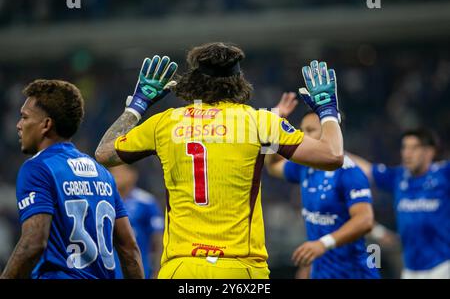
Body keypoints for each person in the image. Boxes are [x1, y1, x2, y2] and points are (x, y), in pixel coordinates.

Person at [95, 43, 344, 279]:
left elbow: (104, 154)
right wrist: (328, 110)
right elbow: (333, 156)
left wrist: (137, 105)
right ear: (238, 82)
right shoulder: (259, 122)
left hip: (181, 267)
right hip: (241, 268)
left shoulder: (165, 122)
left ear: (193, 81)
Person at [0, 80, 144, 279]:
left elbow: (33, 244)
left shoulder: (38, 168)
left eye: (24, 117)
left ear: (46, 125)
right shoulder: (102, 173)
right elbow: (129, 249)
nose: (18, 125)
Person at [265, 93, 379, 279]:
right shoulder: (305, 167)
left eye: (310, 130)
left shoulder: (349, 172)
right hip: (321, 272)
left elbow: (365, 221)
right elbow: (272, 166)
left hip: (353, 273)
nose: (303, 136)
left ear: (330, 134)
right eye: (302, 130)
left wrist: (322, 244)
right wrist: (275, 125)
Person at [348, 128, 450, 279]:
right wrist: (335, 150)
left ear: (429, 152)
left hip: (442, 266)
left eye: (414, 148)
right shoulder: (398, 176)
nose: (407, 153)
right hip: (410, 269)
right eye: (405, 147)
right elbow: (366, 169)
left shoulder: (444, 175)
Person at [109, 164, 164, 279]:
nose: (116, 175)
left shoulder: (146, 202)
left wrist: (158, 270)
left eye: (121, 171)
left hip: (141, 272)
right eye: (113, 171)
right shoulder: (105, 202)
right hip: (110, 272)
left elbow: (158, 238)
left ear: (133, 175)